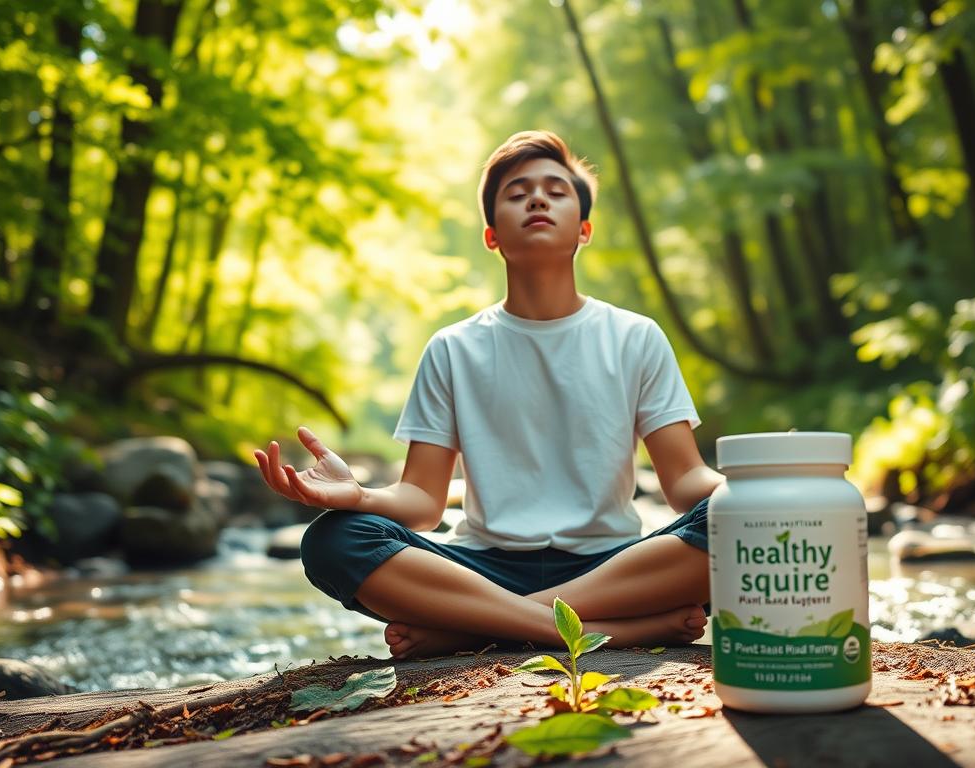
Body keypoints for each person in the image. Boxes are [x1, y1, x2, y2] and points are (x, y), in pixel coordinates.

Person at [253, 130, 724, 659]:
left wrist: (747, 489)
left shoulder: (636, 336)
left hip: (614, 564)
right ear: (492, 235)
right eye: (518, 192)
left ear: (584, 229)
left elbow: (685, 480)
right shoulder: (453, 348)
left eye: (556, 190)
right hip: (483, 566)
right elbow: (424, 503)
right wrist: (357, 496)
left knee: (736, 518)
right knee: (331, 542)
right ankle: (611, 628)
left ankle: (476, 628)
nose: (538, 199)